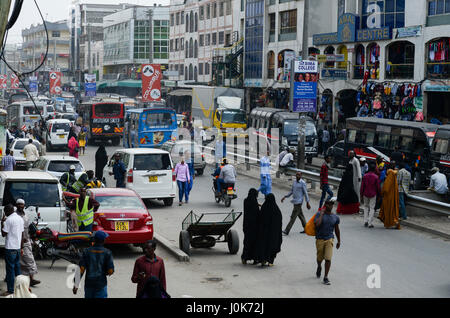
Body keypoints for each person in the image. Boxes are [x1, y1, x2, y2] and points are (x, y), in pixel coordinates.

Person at [73, 231, 114, 298]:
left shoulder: (86, 251)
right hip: (101, 284)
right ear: (103, 241)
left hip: (89, 284)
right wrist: (106, 272)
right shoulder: (107, 253)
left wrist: (76, 285)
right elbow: (110, 271)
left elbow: (81, 269)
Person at [314, 198, 341, 286]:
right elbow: (317, 225)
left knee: (328, 258)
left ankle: (325, 277)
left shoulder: (335, 217)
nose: (331, 205)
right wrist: (321, 214)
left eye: (332, 204)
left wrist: (339, 241)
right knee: (319, 258)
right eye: (329, 204)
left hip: (329, 239)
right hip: (320, 239)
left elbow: (337, 229)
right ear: (325, 205)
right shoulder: (319, 214)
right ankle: (319, 266)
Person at [1, 204, 24, 296]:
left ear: (7, 211)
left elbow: (3, 234)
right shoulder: (20, 218)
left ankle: (10, 290)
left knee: (10, 269)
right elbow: (22, 234)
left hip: (10, 248)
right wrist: (21, 247)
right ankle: (20, 288)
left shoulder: (8, 220)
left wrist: (1, 223)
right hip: (17, 247)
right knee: (17, 269)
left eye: (5, 212)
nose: (5, 214)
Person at [15, 199, 40, 286]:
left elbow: (28, 229)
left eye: (22, 205)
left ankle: (30, 279)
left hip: (26, 240)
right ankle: (27, 280)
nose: (21, 206)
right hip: (18, 242)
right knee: (21, 261)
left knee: (29, 260)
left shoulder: (26, 215)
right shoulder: (15, 216)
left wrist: (33, 240)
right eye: (19, 204)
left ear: (24, 205)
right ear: (16, 205)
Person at [256, 193, 282, 266]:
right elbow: (279, 222)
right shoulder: (276, 210)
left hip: (264, 232)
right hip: (273, 234)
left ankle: (263, 259)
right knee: (272, 245)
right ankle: (270, 261)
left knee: (263, 245)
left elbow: (260, 219)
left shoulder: (264, 207)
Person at [241, 188, 260, 265]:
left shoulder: (246, 201)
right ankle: (255, 259)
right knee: (254, 243)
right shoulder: (254, 202)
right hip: (254, 227)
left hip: (246, 225)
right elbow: (257, 214)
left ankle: (244, 258)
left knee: (247, 242)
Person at [360, 162, 381, 228]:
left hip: (365, 193)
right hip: (373, 194)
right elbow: (378, 187)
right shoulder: (376, 177)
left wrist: (361, 194)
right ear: (374, 169)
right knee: (372, 208)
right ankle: (370, 223)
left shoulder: (365, 176)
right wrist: (379, 195)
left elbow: (362, 186)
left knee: (366, 207)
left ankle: (365, 221)